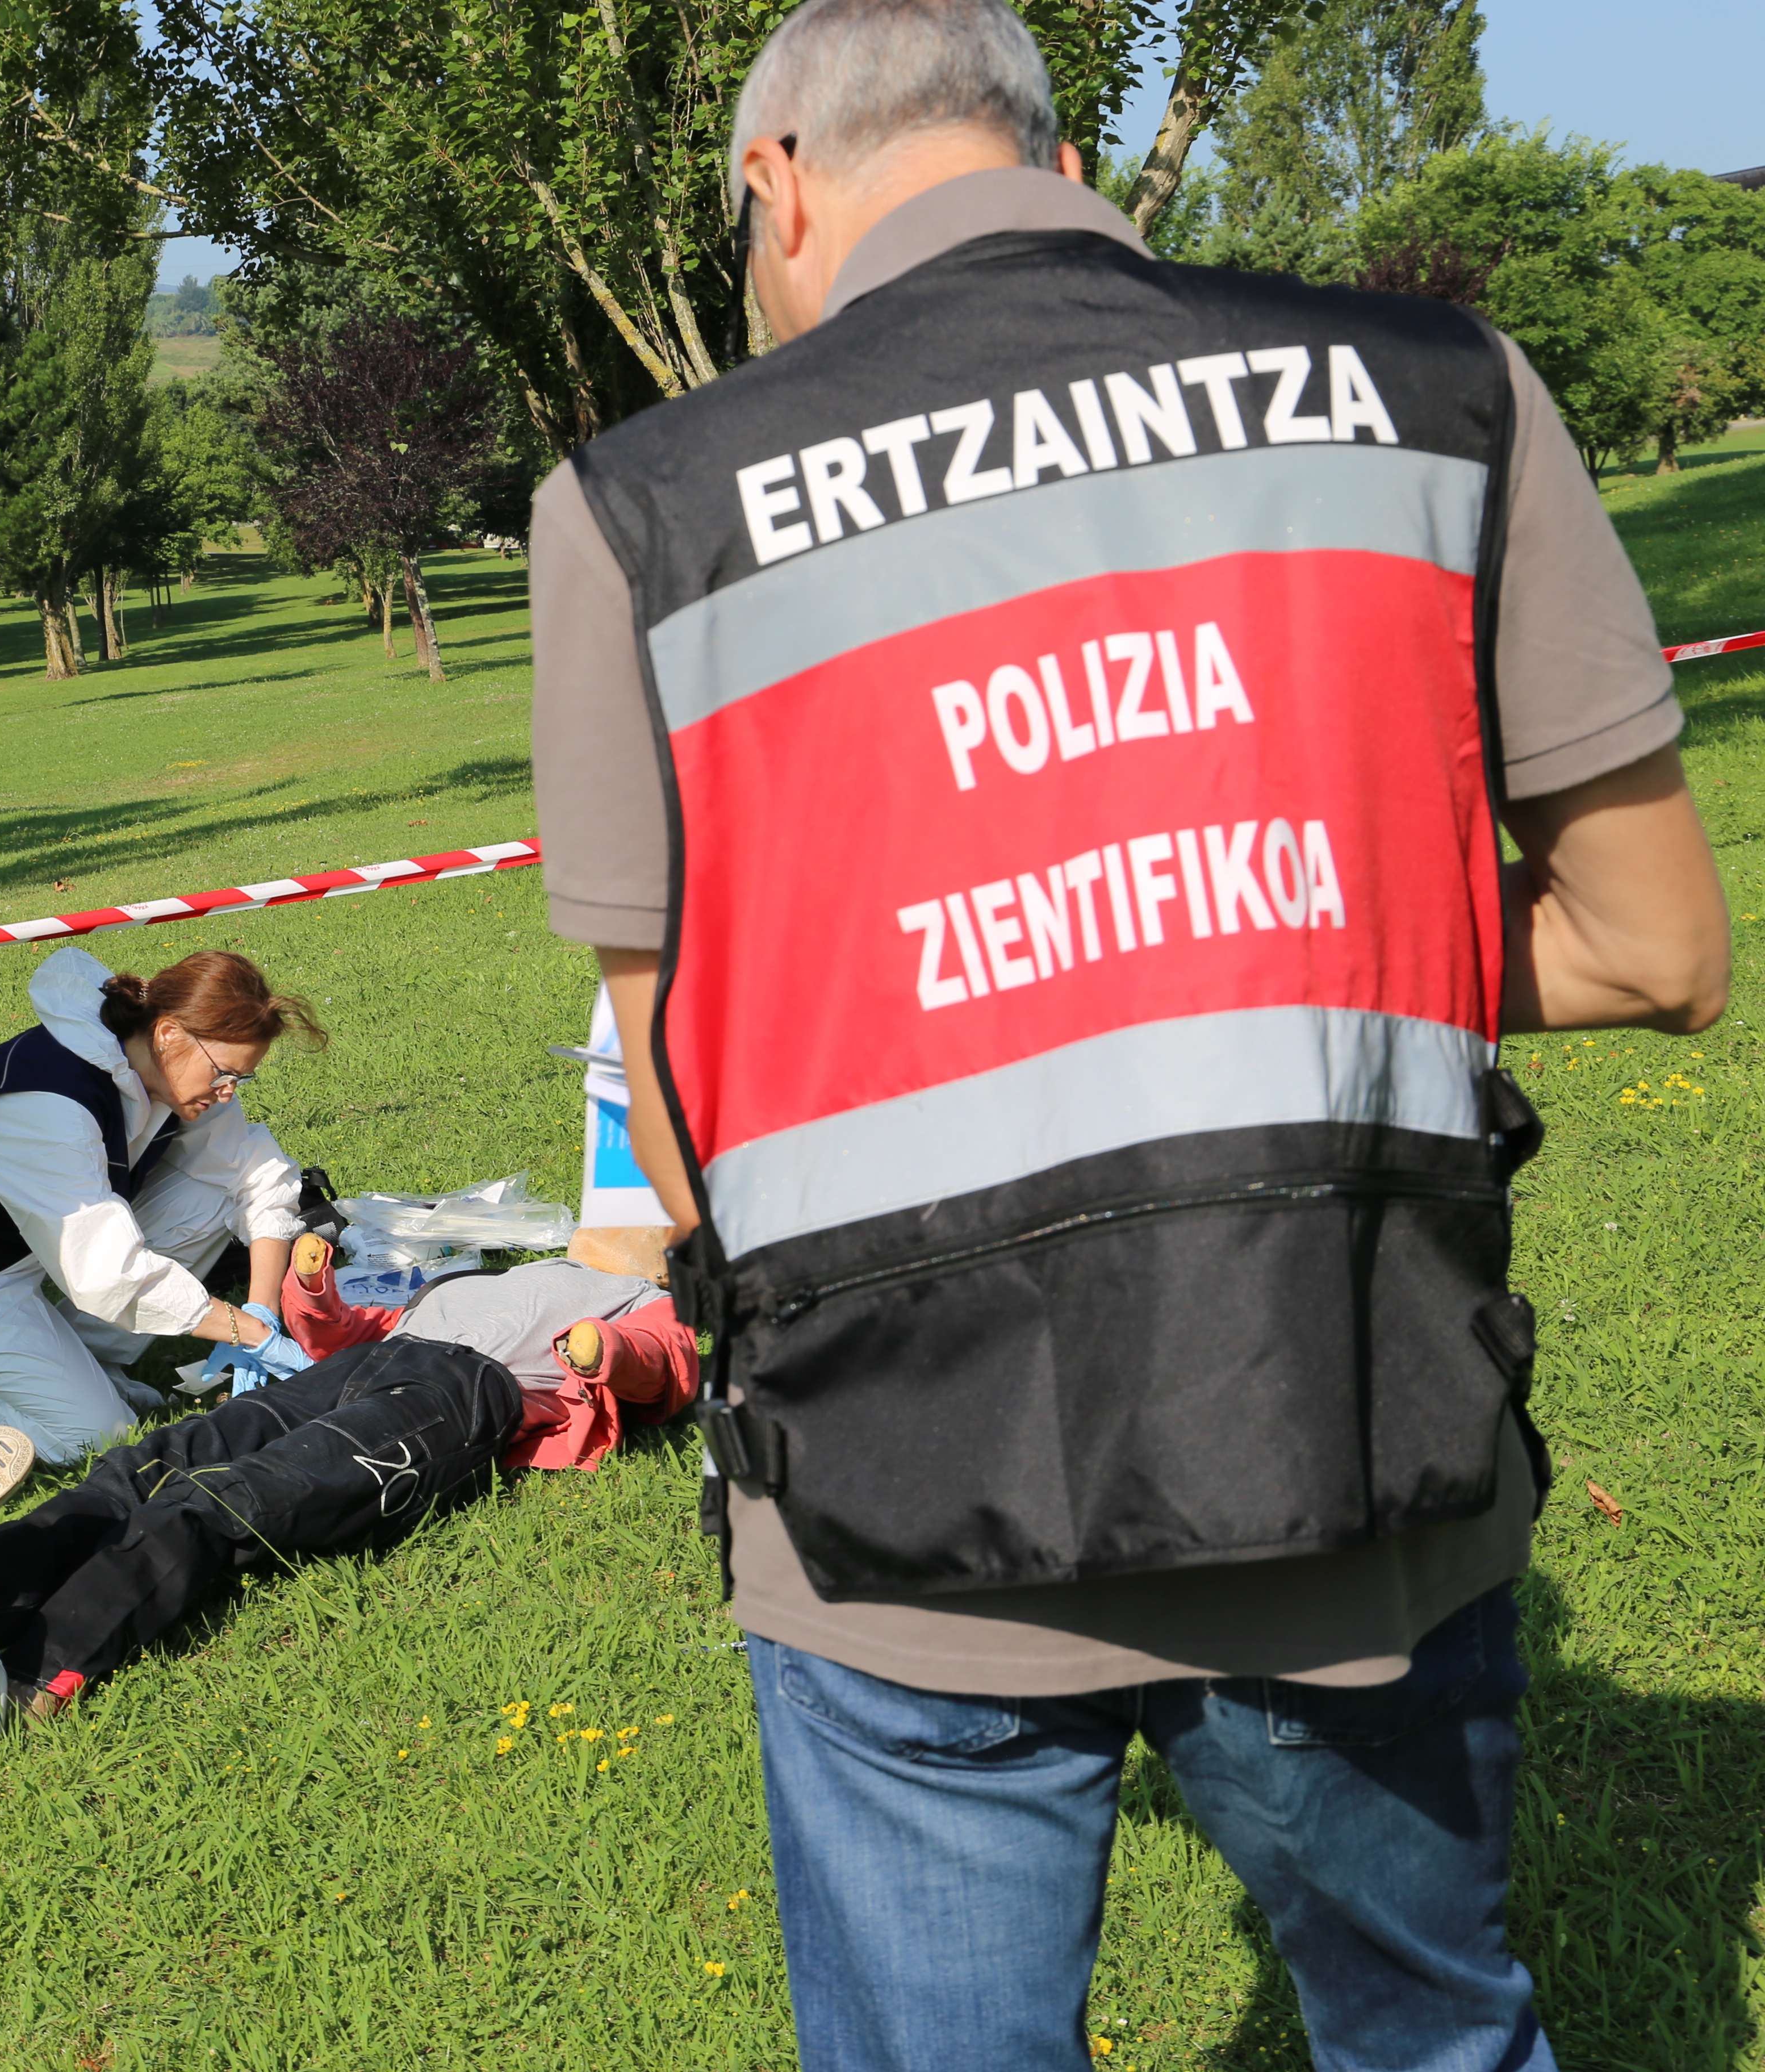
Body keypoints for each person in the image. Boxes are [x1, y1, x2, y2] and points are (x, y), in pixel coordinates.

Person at [528, 2, 1732, 2066]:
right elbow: (1654, 949)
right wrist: (1287, 929)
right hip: (1350, 1428)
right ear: (1064, 178)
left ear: (774, 189)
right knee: (1431, 2033)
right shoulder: (1440, 397)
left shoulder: (639, 507)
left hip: (889, 1498)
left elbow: (680, 1085)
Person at [0, 1247, 697, 1762]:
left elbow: (664, 1370)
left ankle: (26, 1673)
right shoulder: (522, 1272)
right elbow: (350, 1327)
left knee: (242, 1499)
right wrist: (316, 1291)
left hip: (464, 1398)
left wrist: (606, 1347)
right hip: (379, 1356)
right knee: (162, 1458)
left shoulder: (647, 1300)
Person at [0, 944, 323, 1464]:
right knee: (94, 1437)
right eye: (223, 1073)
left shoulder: (165, 1069)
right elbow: (104, 1275)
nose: (229, 1091)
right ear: (169, 1034)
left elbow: (255, 1174)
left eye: (241, 1078)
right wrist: (246, 1331)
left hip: (41, 1247)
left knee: (212, 1192)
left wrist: (262, 1306)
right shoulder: (48, 1102)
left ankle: (90, 1361)